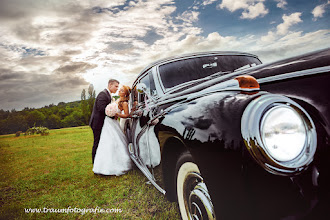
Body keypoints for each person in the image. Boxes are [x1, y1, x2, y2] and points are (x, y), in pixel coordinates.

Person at [92, 85, 132, 176]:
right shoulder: (117, 99)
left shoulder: (125, 103)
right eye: (119, 89)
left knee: (114, 142)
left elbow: (127, 115)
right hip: (108, 122)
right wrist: (110, 112)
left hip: (113, 122)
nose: (119, 91)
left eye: (121, 90)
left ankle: (116, 164)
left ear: (125, 94)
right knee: (105, 142)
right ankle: (101, 165)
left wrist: (116, 114)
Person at [89, 79, 119, 164]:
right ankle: (95, 164)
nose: (117, 88)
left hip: (103, 123)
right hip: (97, 123)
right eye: (116, 86)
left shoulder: (108, 95)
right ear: (110, 85)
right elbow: (101, 108)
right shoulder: (103, 94)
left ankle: (100, 162)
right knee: (97, 143)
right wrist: (113, 115)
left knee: (101, 143)